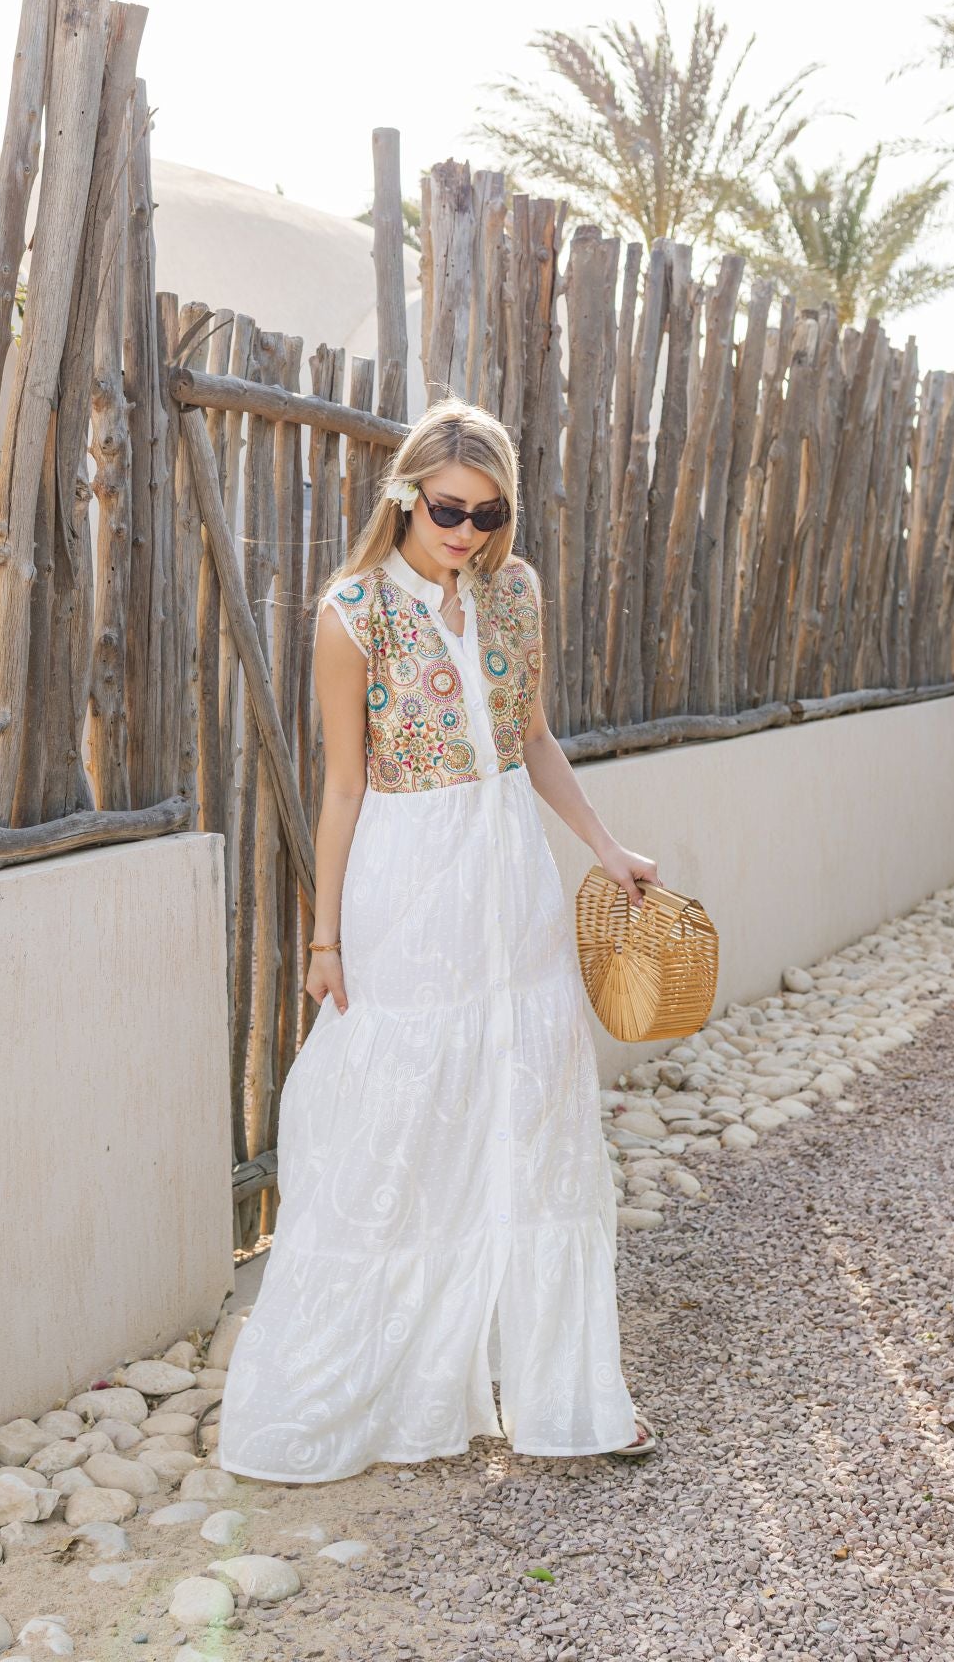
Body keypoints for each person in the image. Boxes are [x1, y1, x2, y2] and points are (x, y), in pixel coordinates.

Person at [216, 398, 660, 1483]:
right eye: (449, 509)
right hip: (407, 878)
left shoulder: (518, 594)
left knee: (535, 1108)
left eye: (488, 512)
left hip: (509, 868)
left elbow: (536, 737)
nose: (466, 531)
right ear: (408, 495)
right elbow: (342, 783)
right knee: (402, 1112)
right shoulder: (352, 611)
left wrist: (604, 846)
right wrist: (324, 938)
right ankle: (379, 1387)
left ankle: (568, 1395)